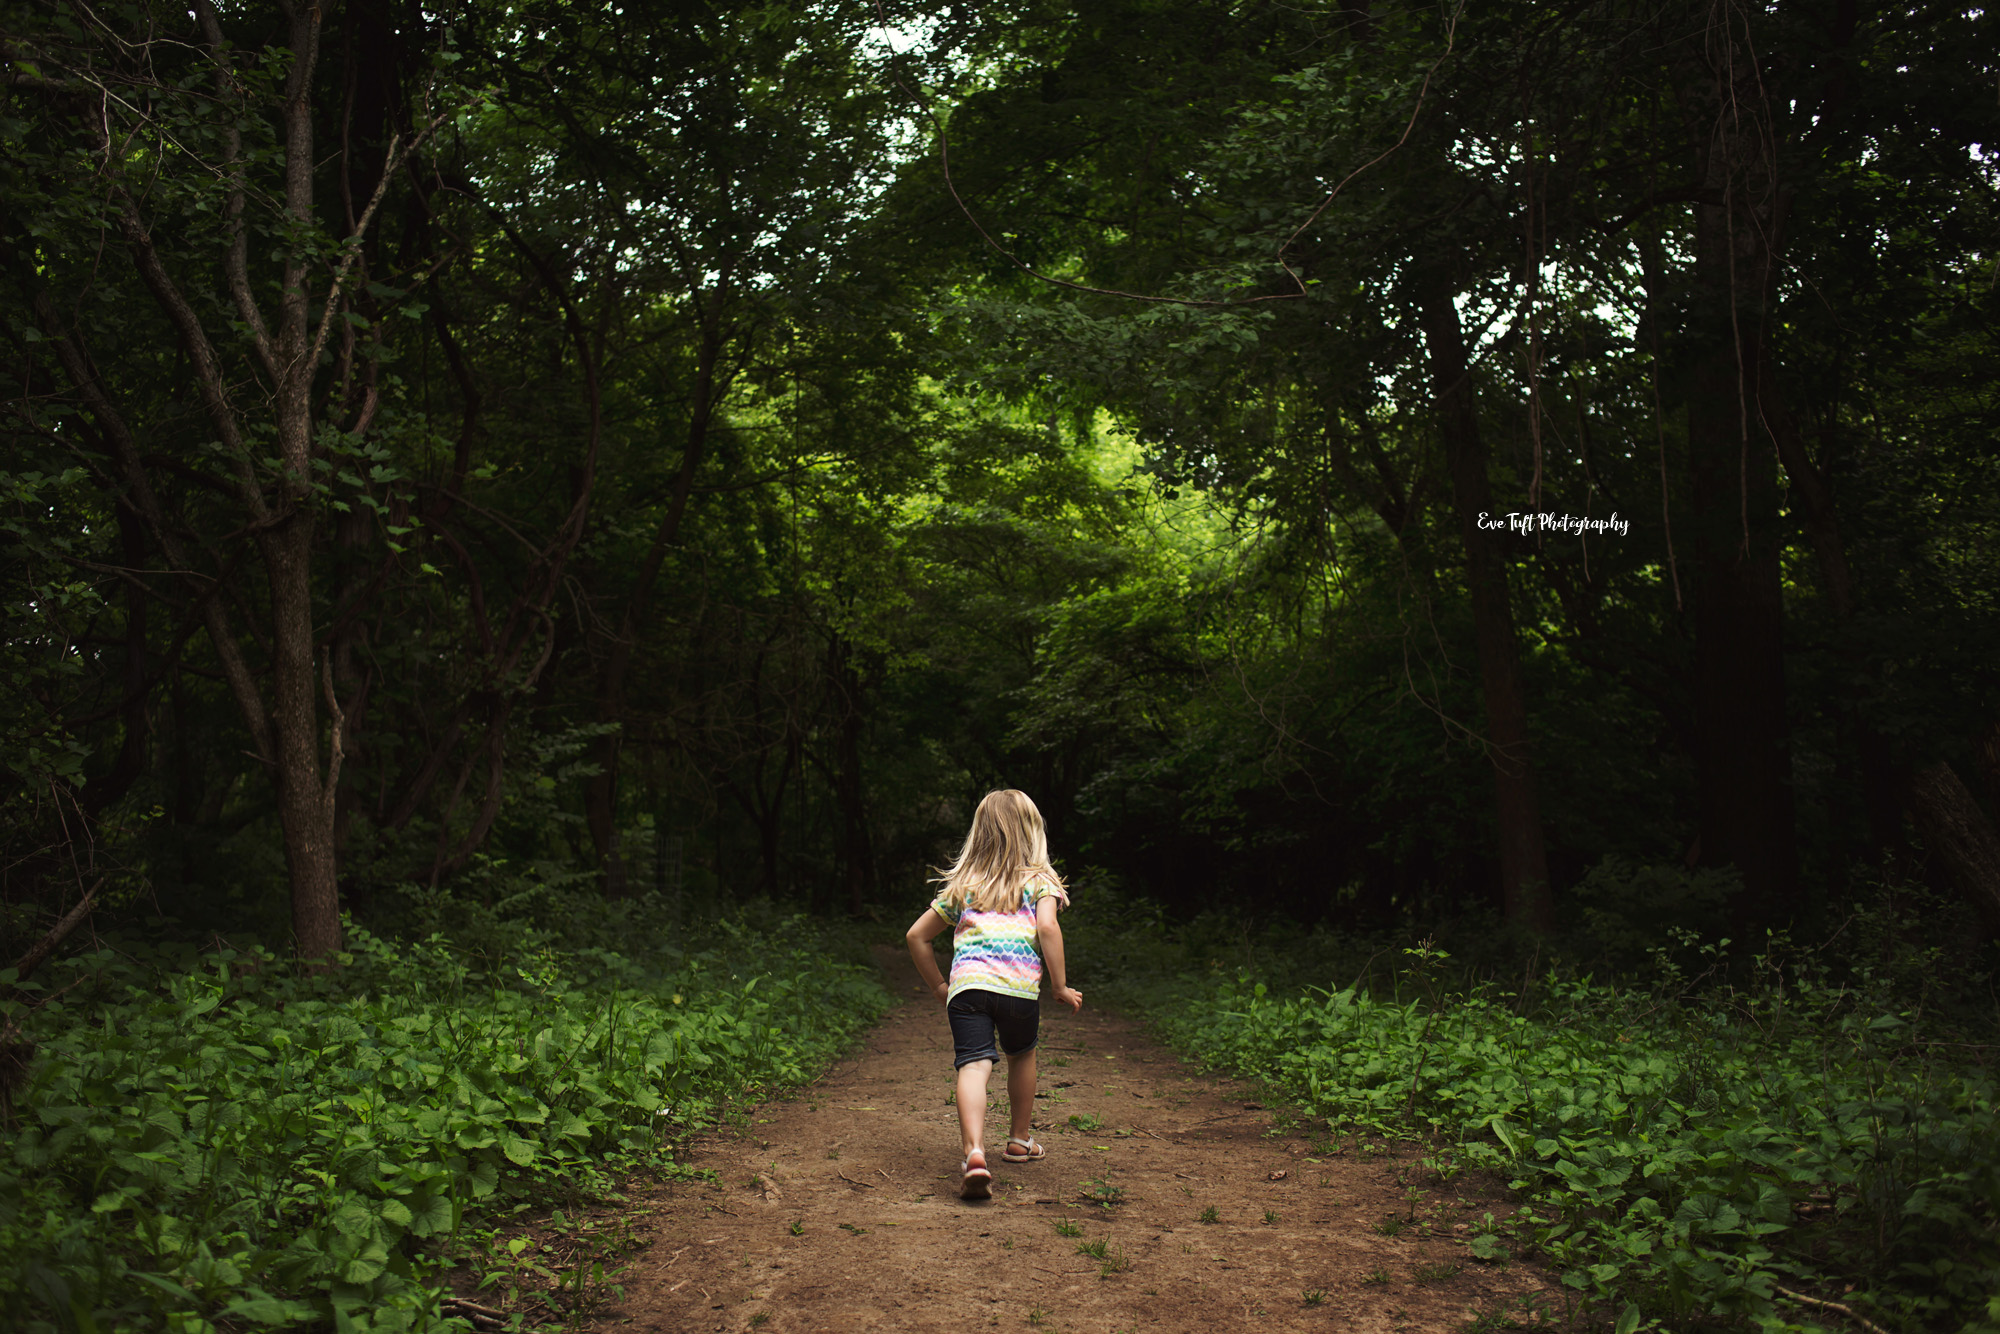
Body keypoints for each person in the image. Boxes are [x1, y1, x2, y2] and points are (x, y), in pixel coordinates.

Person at [905, 789, 1084, 1201]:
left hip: (968, 987)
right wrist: (1058, 985)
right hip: (1018, 989)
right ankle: (1019, 1141)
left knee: (973, 1065)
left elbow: (917, 936)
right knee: (1022, 1054)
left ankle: (974, 1153)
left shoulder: (966, 885)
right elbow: (1048, 929)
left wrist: (938, 985)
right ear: (1032, 832)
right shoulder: (1040, 881)